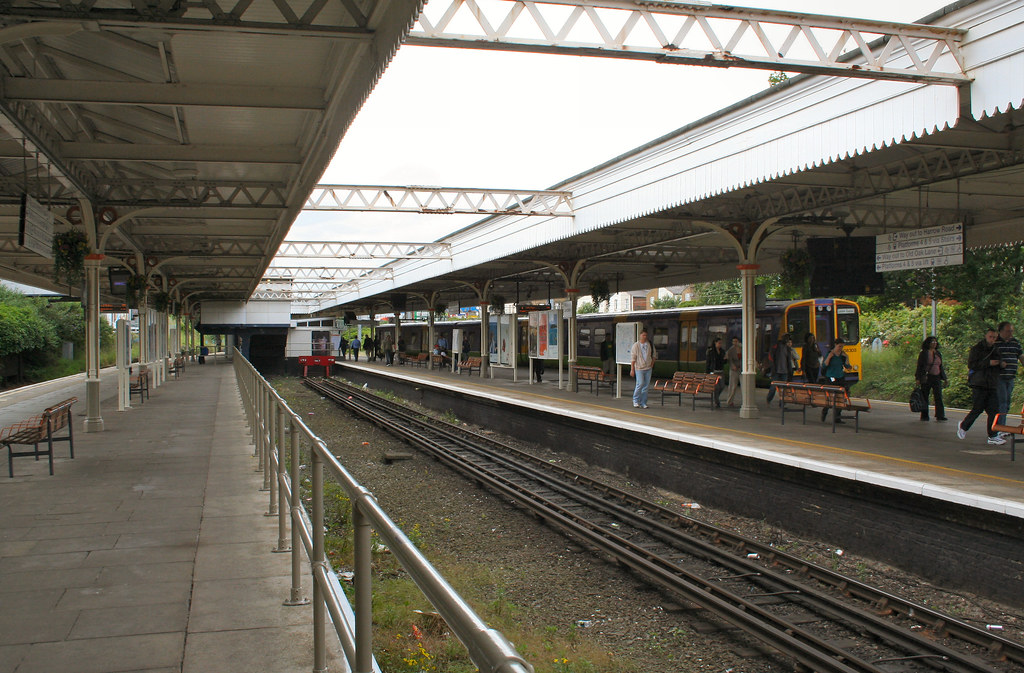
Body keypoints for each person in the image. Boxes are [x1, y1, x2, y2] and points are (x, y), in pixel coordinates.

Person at [958, 328, 1005, 445]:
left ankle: (992, 435)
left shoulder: (996, 349)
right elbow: (972, 364)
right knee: (978, 408)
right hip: (979, 383)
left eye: (995, 337)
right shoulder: (977, 349)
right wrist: (988, 363)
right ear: (986, 336)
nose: (993, 339)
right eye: (991, 337)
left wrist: (1001, 364)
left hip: (992, 383)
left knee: (994, 411)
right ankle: (964, 426)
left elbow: (999, 363)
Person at [915, 336, 947, 422]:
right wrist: (918, 378)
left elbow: (940, 366)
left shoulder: (938, 353)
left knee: (938, 396)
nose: (934, 343)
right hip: (926, 377)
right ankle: (924, 415)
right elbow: (920, 366)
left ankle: (940, 415)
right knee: (925, 396)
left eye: (935, 342)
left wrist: (944, 378)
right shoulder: (924, 353)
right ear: (928, 343)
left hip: (937, 377)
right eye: (932, 342)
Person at [995, 321, 1023, 417]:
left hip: (1010, 376)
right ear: (1001, 331)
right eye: (1008, 331)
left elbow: (1021, 356)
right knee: (1002, 402)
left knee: (1007, 403)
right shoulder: (996, 342)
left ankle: (1000, 426)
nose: (1010, 333)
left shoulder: (1015, 342)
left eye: (1011, 331)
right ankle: (1000, 428)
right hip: (999, 376)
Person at [820, 338, 850, 423]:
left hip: (840, 377)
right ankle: (825, 411)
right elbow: (824, 365)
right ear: (835, 345)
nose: (840, 348)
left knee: (841, 397)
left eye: (842, 346)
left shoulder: (842, 355)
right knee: (830, 397)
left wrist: (847, 357)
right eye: (839, 346)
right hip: (831, 377)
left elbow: (847, 366)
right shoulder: (830, 354)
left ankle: (837, 416)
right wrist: (829, 357)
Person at [765, 333, 795, 405]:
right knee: (774, 387)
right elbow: (771, 357)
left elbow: (788, 360)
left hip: (784, 371)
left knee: (782, 388)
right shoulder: (776, 347)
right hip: (777, 370)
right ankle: (769, 399)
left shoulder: (787, 348)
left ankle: (782, 402)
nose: (787, 340)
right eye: (786, 339)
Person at [629, 329, 657, 409]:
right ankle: (635, 400)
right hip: (639, 368)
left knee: (646, 386)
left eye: (646, 335)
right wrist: (632, 369)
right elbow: (633, 358)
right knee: (640, 384)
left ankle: (643, 402)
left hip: (648, 368)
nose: (645, 337)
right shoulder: (636, 345)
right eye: (643, 335)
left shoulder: (650, 344)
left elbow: (654, 354)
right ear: (640, 336)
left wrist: (652, 364)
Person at [705, 336, 726, 408]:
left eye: (721, 343)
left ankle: (716, 398)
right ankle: (717, 401)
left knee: (722, 386)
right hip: (714, 372)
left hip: (721, 371)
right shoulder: (711, 352)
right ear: (715, 343)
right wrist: (708, 372)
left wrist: (725, 359)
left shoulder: (722, 351)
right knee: (716, 387)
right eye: (719, 343)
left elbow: (723, 362)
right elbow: (708, 362)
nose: (720, 345)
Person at [724, 336, 742, 407]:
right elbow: (730, 360)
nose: (735, 343)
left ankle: (746, 401)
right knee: (733, 386)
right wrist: (732, 366)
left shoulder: (742, 348)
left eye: (736, 341)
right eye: (733, 341)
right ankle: (729, 401)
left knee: (744, 386)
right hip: (734, 370)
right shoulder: (731, 350)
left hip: (741, 369)